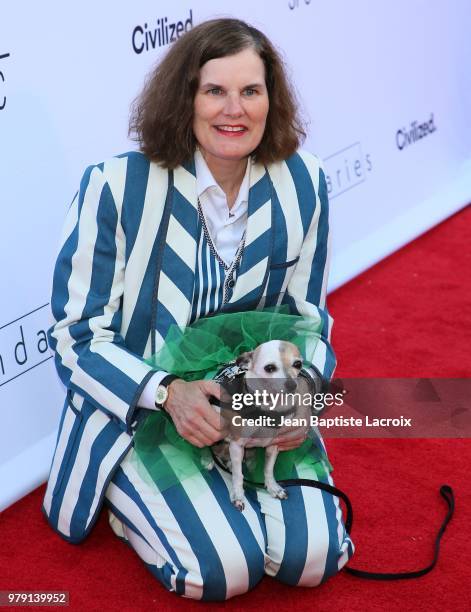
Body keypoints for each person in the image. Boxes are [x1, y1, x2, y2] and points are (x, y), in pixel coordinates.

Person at [42, 17, 354, 601]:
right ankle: (122, 491)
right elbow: (74, 336)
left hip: (256, 405)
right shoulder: (116, 187)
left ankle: (216, 501)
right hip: (145, 411)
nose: (233, 109)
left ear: (271, 99)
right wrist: (165, 392)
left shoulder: (304, 182)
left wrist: (303, 393)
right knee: (223, 573)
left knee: (314, 559)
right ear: (184, 98)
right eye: (215, 90)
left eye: (250, 91)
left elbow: (309, 316)